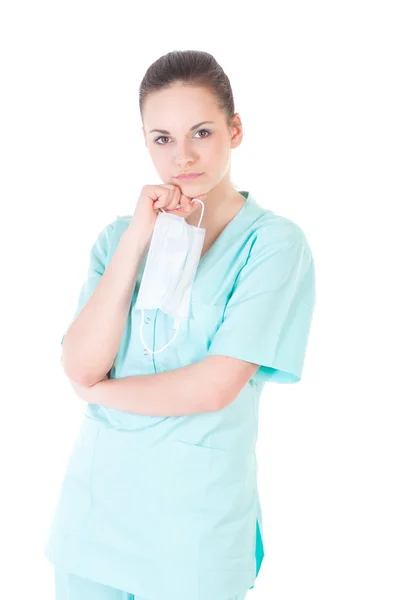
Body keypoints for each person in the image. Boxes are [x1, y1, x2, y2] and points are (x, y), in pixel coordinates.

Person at [44, 49, 316, 600]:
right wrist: (137, 238)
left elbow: (215, 387)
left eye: (202, 132)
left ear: (235, 130)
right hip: (94, 521)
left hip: (196, 532)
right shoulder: (117, 239)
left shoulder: (272, 244)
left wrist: (96, 391)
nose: (182, 156)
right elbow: (80, 361)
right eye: (162, 139)